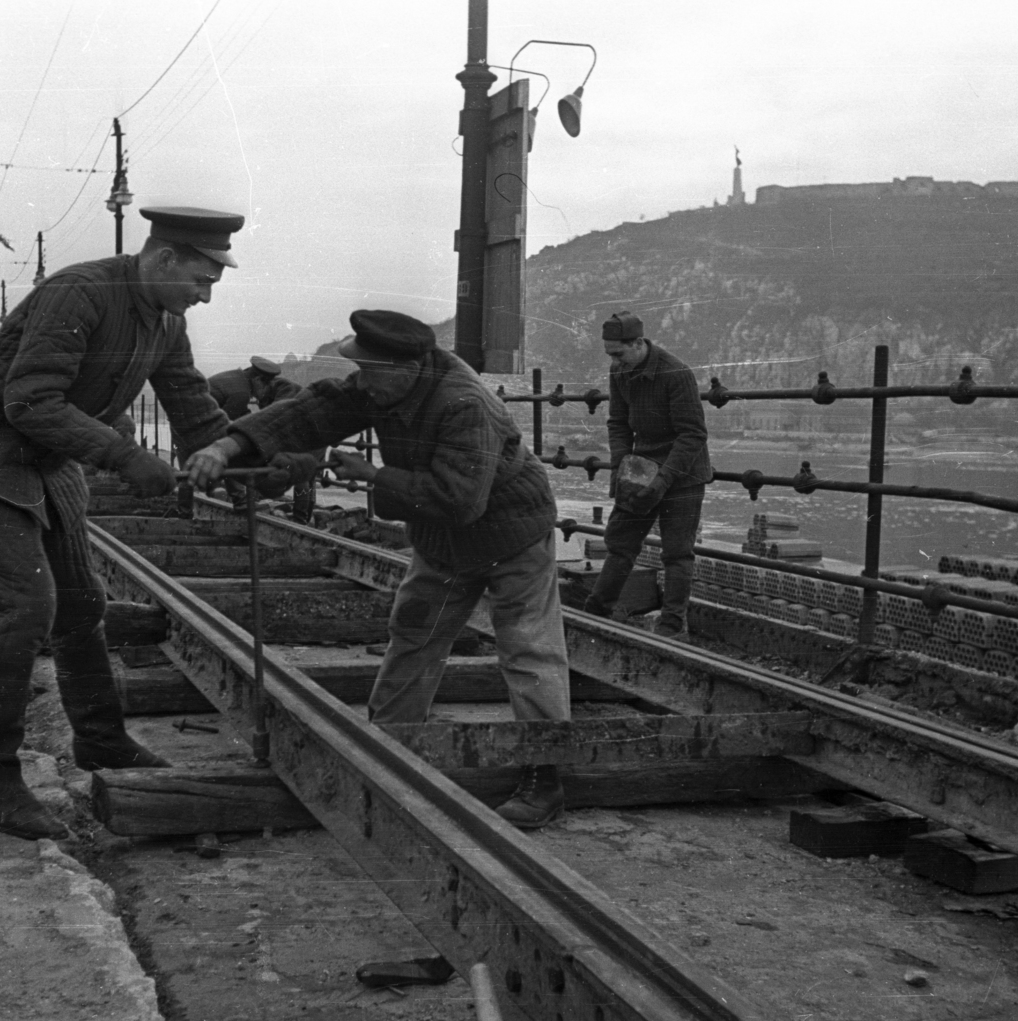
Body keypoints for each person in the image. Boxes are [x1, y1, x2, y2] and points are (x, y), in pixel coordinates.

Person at [0, 205, 242, 840]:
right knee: (23, 610)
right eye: (201, 281)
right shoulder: (82, 292)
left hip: (48, 456)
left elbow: (192, 404)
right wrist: (125, 454)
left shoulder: (164, 320)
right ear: (166, 257)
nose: (205, 297)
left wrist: (244, 455)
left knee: (82, 604)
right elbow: (29, 401)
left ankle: (102, 742)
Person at [198, 309, 573, 828]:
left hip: (510, 533)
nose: (362, 383)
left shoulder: (464, 404)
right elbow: (312, 411)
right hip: (444, 539)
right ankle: (391, 744)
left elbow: (461, 500)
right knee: (414, 632)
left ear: (408, 368)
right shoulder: (385, 382)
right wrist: (230, 444)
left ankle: (544, 776)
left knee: (529, 649)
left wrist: (375, 473)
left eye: (370, 371)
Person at [581, 310, 712, 637]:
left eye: (619, 353)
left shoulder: (675, 372)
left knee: (677, 552)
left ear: (639, 343)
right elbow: (618, 424)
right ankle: (595, 613)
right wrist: (621, 468)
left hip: (684, 474)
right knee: (620, 542)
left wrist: (663, 480)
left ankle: (671, 628)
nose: (615, 362)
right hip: (640, 468)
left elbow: (693, 435)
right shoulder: (620, 370)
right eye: (610, 355)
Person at [206, 356, 305, 513]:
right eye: (264, 387)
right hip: (203, 422)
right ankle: (241, 500)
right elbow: (231, 423)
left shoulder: (238, 378)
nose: (258, 396)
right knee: (232, 454)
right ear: (258, 380)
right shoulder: (242, 392)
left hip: (192, 419)